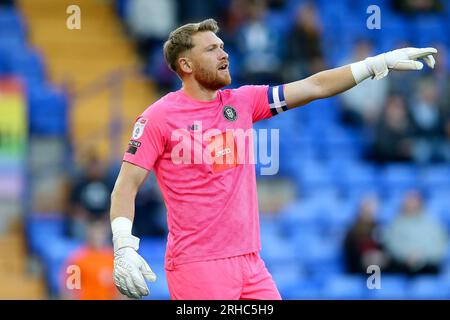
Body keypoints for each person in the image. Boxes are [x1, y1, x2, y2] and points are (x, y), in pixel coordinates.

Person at [109, 18, 437, 299]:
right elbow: (126, 185)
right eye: (211, 49)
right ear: (186, 65)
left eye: (223, 46)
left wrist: (376, 64)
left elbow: (315, 85)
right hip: (198, 264)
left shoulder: (243, 101)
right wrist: (124, 245)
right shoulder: (158, 117)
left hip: (251, 263)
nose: (224, 53)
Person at [382, 190, 448, 276]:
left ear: (420, 203)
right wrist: (406, 255)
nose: (411, 204)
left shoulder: (433, 225)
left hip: (428, 267)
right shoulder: (394, 224)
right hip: (401, 266)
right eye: (408, 201)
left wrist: (422, 256)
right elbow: (390, 245)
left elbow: (439, 247)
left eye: (413, 201)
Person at [61, 218, 118, 300]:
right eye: (94, 232)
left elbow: (121, 292)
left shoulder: (114, 259)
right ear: (88, 233)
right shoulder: (77, 258)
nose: (97, 236)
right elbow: (69, 291)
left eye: (100, 232)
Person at [343, 195, 387, 274]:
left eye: (371, 210)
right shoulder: (352, 230)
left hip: (380, 268)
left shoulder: (381, 229)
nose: (368, 212)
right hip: (359, 268)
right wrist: (364, 258)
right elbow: (349, 254)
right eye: (366, 209)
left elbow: (385, 249)